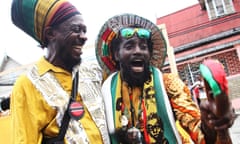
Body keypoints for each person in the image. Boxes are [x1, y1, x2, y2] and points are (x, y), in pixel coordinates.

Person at [95, 13, 235, 144]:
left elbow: (200, 133)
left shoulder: (168, 84)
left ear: (149, 53)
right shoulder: (104, 92)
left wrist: (212, 123)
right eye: (129, 46)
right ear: (116, 54)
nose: (137, 51)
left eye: (143, 47)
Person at [10, 0, 110, 143]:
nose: (84, 37)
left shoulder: (94, 72)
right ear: (51, 34)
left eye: (84, 30)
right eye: (76, 29)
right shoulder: (28, 85)